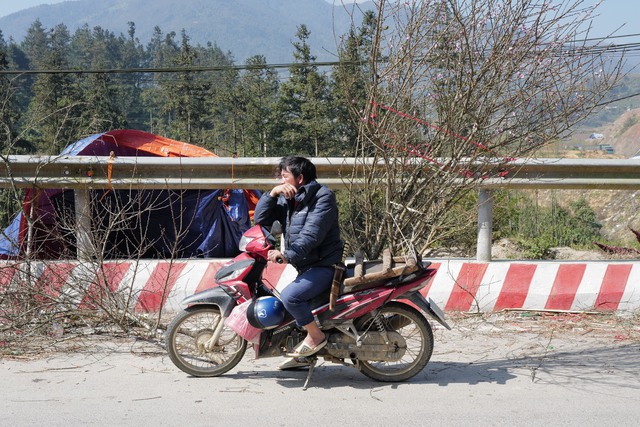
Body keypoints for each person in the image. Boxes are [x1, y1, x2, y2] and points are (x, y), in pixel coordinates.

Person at [253, 155, 344, 367]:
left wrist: (287, 255)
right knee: (289, 308)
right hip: (307, 266)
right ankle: (304, 355)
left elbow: (312, 235)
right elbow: (260, 219)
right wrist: (272, 194)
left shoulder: (323, 197)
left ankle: (316, 337)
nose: (281, 180)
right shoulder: (288, 199)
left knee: (290, 298)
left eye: (284, 176)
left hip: (324, 265)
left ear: (300, 178)